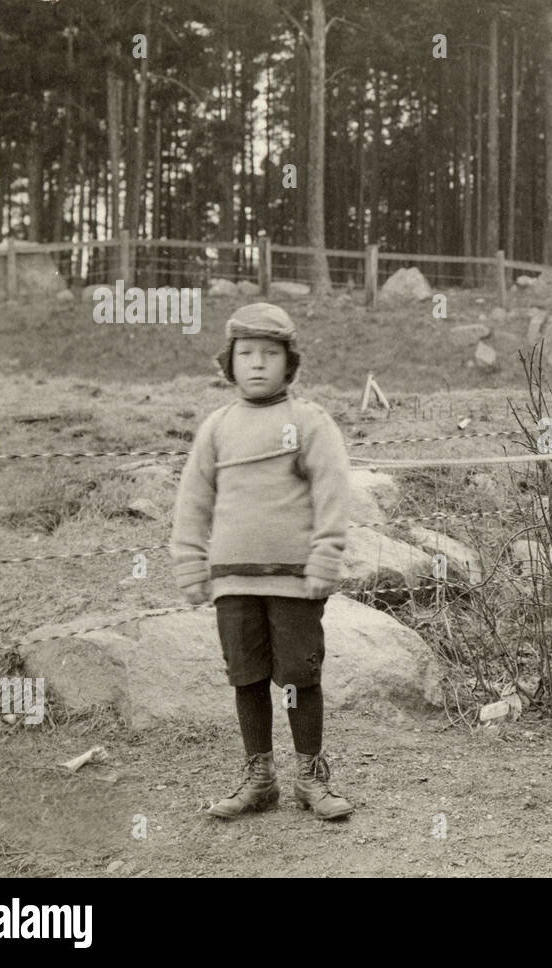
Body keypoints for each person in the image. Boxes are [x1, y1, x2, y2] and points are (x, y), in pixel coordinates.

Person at [171, 302, 354, 817]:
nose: (256, 363)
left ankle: (310, 778)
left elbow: (333, 493)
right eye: (245, 353)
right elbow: (193, 501)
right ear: (228, 363)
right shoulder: (217, 428)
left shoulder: (309, 422)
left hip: (295, 582)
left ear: (288, 363)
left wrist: (325, 557)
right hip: (233, 582)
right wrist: (190, 563)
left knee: (298, 678)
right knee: (246, 677)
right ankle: (259, 778)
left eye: (269, 354)